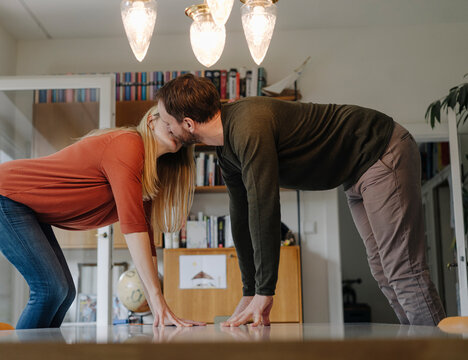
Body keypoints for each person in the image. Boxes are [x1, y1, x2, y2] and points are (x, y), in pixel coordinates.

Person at [155, 74, 446, 327]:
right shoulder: (226, 153)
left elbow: (264, 206)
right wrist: (249, 290)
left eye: (167, 122)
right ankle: (419, 346)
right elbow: (241, 216)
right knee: (383, 271)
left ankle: (441, 352)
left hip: (381, 150)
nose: (164, 128)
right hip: (355, 173)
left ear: (189, 123)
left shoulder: (247, 125)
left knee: (402, 269)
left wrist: (265, 292)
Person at [0, 106, 205, 329]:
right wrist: (158, 304)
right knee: (50, 289)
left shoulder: (148, 173)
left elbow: (146, 241)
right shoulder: (128, 144)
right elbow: (133, 229)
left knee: (64, 292)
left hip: (22, 206)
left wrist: (160, 308)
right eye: (171, 123)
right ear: (152, 121)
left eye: (185, 132)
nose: (178, 131)